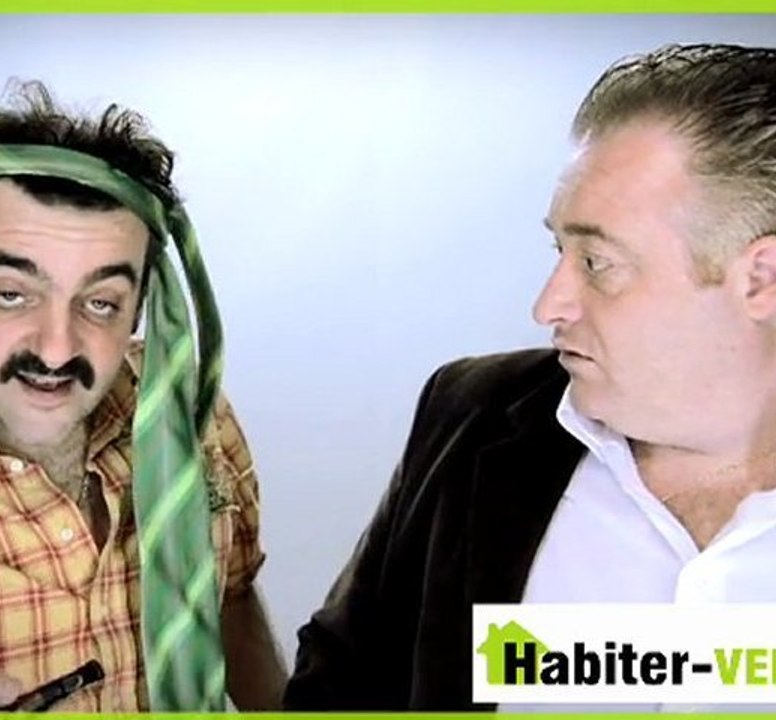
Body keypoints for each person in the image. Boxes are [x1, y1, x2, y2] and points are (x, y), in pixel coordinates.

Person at [285, 42, 776, 710]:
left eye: (597, 262)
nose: (548, 305)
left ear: (760, 279)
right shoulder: (471, 419)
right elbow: (343, 681)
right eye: (559, 249)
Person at [0, 81, 287, 711]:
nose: (58, 349)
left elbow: (228, 598)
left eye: (101, 302)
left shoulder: (193, 419)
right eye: (11, 294)